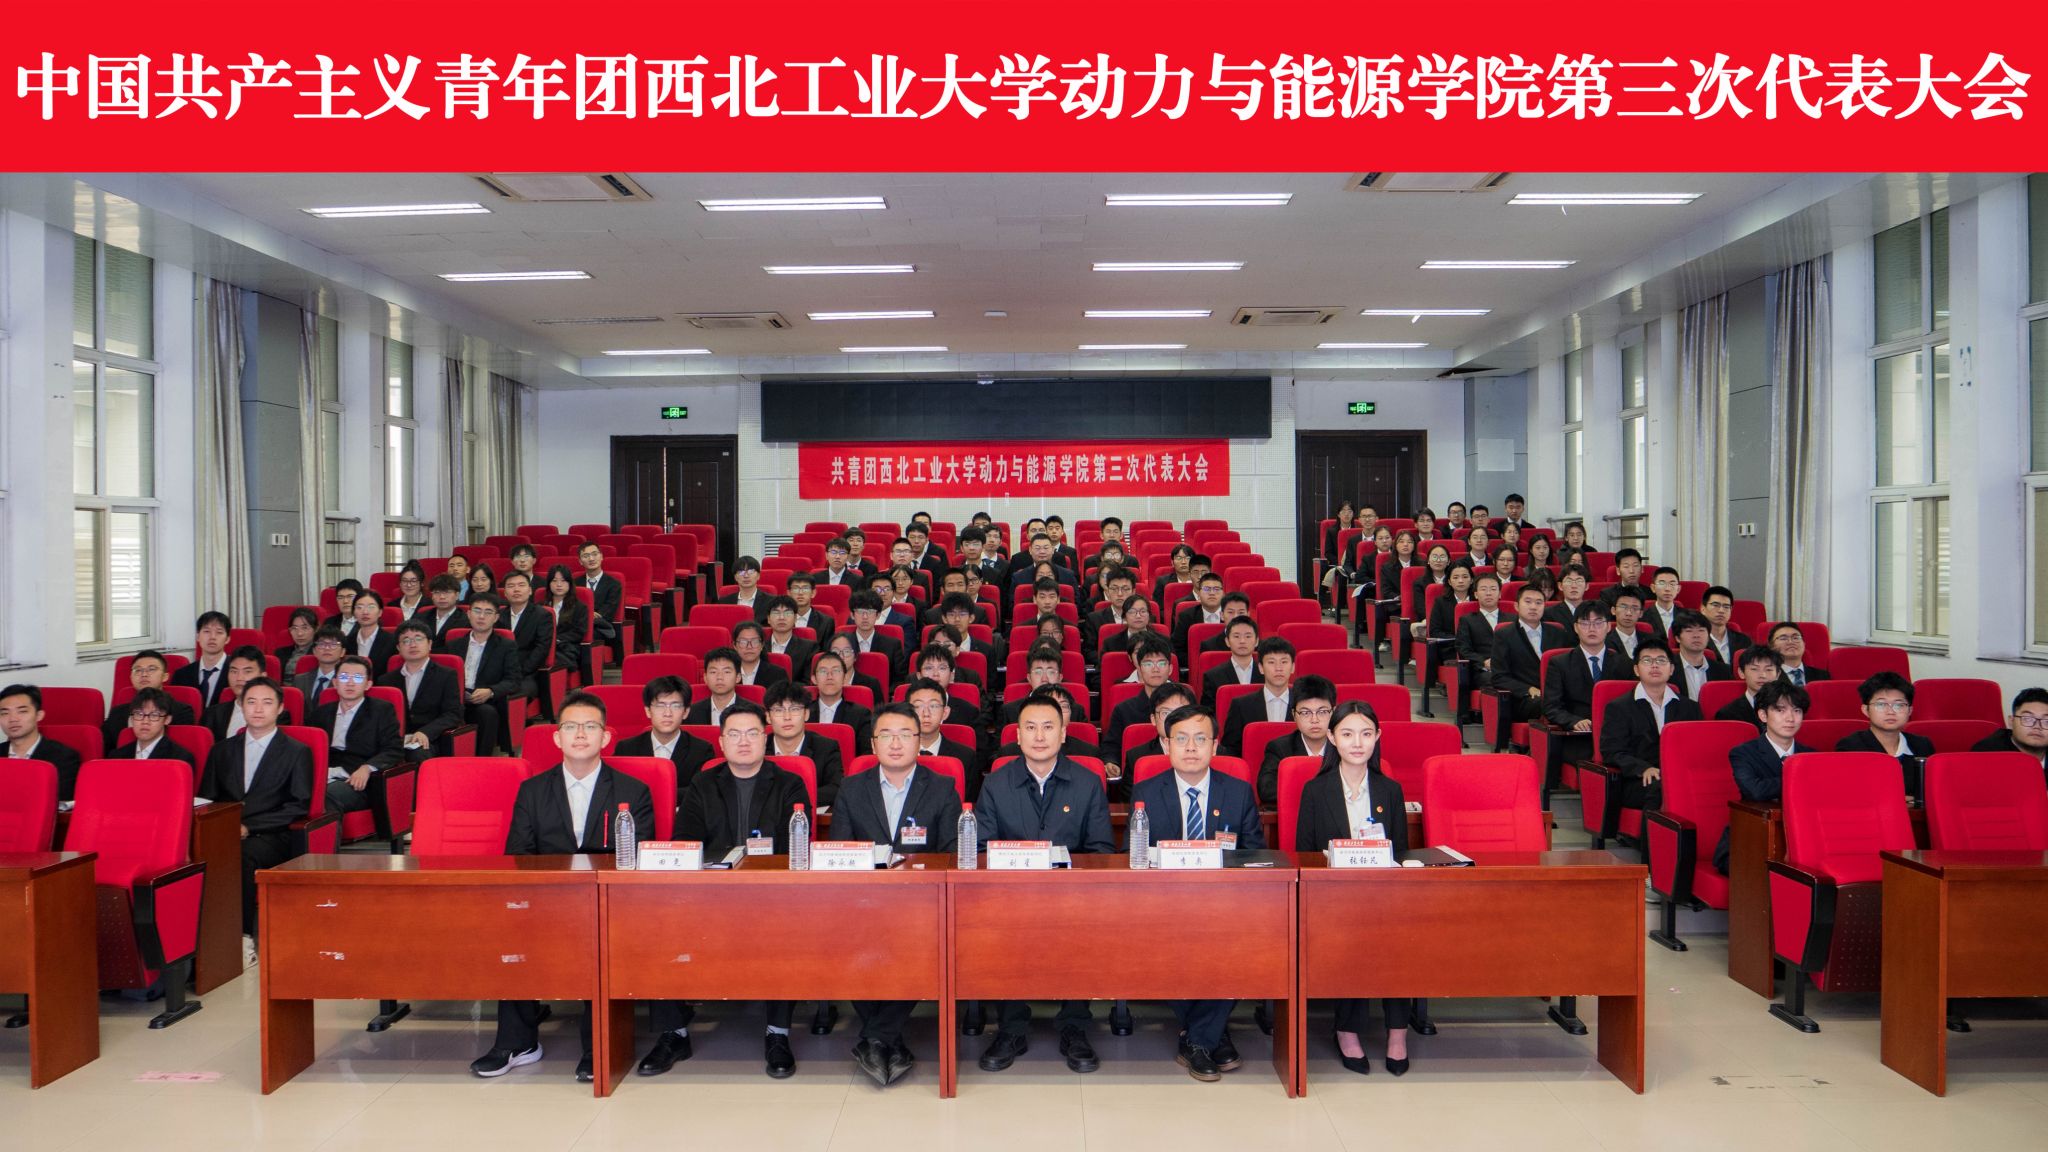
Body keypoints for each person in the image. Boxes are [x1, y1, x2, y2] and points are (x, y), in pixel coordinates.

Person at [474, 692, 654, 1083]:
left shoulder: (633, 791)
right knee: (512, 933)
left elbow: (637, 861)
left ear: (606, 737)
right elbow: (519, 856)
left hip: (607, 902)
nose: (580, 735)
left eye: (590, 726)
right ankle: (518, 1043)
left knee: (600, 933)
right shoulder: (533, 790)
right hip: (547, 900)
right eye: (571, 727)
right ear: (557, 737)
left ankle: (597, 1046)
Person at [658, 702, 812, 1079]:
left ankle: (777, 1033)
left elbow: (796, 848)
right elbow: (685, 841)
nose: (744, 741)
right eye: (734, 734)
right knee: (659, 923)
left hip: (771, 894)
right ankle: (673, 1033)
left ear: (766, 738)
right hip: (710, 893)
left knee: (788, 927)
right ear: (721, 742)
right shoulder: (703, 783)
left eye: (752, 733)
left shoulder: (789, 783)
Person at [974, 693, 1114, 1074]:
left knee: (1085, 926)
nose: (1039, 737)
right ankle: (1011, 1028)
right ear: (1017, 736)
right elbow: (981, 849)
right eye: (1031, 728)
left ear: (1063, 734)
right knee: (996, 926)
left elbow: (1101, 850)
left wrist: (1071, 886)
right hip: (1009, 897)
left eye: (1048, 727)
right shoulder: (996, 784)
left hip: (1072, 897)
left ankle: (1075, 1026)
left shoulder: (1087, 783)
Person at [1128, 703, 1263, 1082]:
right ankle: (1211, 1034)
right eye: (1181, 739)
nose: (1191, 748)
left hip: (1227, 907)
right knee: (1155, 942)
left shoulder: (1237, 792)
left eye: (1201, 739)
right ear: (1165, 745)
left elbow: (1254, 854)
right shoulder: (1146, 792)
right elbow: (1133, 857)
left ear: (1215, 746)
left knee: (1246, 942)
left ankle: (1199, 1038)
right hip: (1163, 906)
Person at [834, 703, 963, 1087]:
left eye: (905, 735)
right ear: (873, 744)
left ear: (919, 741)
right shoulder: (851, 788)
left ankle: (876, 1037)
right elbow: (839, 852)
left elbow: (952, 853)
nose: (895, 743)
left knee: (922, 943)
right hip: (862, 902)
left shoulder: (941, 788)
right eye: (886, 735)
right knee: (844, 940)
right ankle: (886, 1038)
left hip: (921, 904)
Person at [1294, 700, 1411, 1076]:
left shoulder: (1390, 790)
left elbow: (1400, 852)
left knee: (1402, 935)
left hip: (1384, 898)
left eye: (1365, 734)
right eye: (1347, 734)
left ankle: (1398, 1032)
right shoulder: (1315, 791)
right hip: (1333, 900)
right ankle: (1347, 1030)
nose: (1357, 743)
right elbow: (1305, 854)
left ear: (1377, 736)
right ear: (1332, 738)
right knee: (1352, 934)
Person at [197, 678, 311, 966]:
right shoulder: (222, 750)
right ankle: (196, 941)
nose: (258, 709)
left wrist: (250, 827)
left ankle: (243, 937)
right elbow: (207, 798)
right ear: (241, 706)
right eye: (251, 702)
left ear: (280, 708)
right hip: (225, 831)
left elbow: (297, 806)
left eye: (267, 702)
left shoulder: (297, 751)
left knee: (242, 857)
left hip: (273, 836)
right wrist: (222, 827)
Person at [1598, 638, 1701, 820]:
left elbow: (1697, 749)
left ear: (1671, 669)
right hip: (1637, 780)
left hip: (1679, 776)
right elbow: (1612, 752)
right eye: (1647, 660)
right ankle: (1652, 839)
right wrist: (1643, 768)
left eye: (1661, 660)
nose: (1655, 665)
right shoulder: (1619, 707)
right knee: (1659, 787)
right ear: (1636, 669)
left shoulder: (1690, 708)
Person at [1541, 603, 1635, 788]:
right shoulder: (1559, 663)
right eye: (1585, 623)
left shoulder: (1624, 664)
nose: (1592, 628)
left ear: (1608, 627)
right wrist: (1573, 721)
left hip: (1617, 735)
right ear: (1576, 628)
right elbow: (1551, 707)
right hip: (1581, 737)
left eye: (1598, 622)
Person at [313, 655, 404, 819]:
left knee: (326, 796)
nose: (350, 683)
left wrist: (367, 768)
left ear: (368, 684)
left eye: (357, 677)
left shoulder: (381, 710)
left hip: (356, 780)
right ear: (335, 683)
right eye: (343, 677)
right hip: (323, 774)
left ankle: (324, 836)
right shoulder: (321, 713)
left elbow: (394, 749)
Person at [1833, 672, 1936, 798]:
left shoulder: (1922, 745)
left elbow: (1932, 792)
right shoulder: (1851, 747)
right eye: (1881, 705)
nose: (1890, 711)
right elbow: (1851, 794)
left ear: (1910, 711)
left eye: (1899, 705)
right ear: (1865, 710)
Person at [378, 621, 466, 758]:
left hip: (431, 738)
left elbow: (453, 714)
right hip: (396, 738)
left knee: (418, 754)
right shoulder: (386, 680)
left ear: (429, 644)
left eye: (418, 639)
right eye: (406, 640)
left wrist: (426, 732)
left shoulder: (446, 675)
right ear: (398, 648)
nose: (413, 645)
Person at [446, 595, 521, 754]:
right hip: (455, 699)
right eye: (477, 611)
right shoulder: (453, 645)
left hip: (483, 700)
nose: (481, 616)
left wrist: (491, 691)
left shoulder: (506, 646)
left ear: (496, 618)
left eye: (488, 612)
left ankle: (482, 759)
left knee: (487, 713)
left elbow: (513, 680)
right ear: (469, 614)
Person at [614, 676, 714, 792]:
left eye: (675, 706)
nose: (667, 713)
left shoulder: (702, 751)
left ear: (686, 712)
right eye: (660, 706)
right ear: (648, 711)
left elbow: (700, 793)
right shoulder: (626, 749)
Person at [1729, 681, 1815, 804]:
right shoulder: (1744, 754)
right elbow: (1755, 791)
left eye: (1797, 711)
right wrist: (1802, 780)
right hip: (1761, 816)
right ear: (1763, 715)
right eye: (1780, 710)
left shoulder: (1811, 755)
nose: (1790, 718)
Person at [1258, 675, 1338, 804]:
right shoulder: (1280, 748)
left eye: (1322, 712)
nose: (1314, 720)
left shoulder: (1344, 746)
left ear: (1333, 712)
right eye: (1305, 713)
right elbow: (1266, 790)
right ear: (1294, 715)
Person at [1494, 585, 1568, 724]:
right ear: (1516, 606)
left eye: (1539, 603)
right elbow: (1499, 677)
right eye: (1528, 602)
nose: (1533, 607)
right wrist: (1528, 689)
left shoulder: (1558, 632)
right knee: (1545, 704)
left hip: (1556, 693)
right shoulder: (1504, 635)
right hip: (1524, 698)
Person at [764, 680, 844, 808]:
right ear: (768, 717)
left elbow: (836, 789)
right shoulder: (758, 748)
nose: (787, 717)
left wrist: (792, 798)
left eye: (794, 709)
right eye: (779, 710)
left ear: (806, 714)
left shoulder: (826, 747)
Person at [1, 684, 85, 801]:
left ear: (39, 715)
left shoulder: (64, 757)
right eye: (5, 713)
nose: (13, 719)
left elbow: (60, 802)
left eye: (22, 711)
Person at [102, 649, 197, 746]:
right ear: (131, 677)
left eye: (151, 669)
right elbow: (107, 751)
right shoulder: (116, 713)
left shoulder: (181, 711)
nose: (144, 675)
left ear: (165, 676)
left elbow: (179, 748)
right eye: (138, 670)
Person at [906, 678, 982, 798]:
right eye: (918, 706)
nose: (926, 713)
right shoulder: (894, 754)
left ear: (945, 713)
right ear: (907, 712)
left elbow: (969, 804)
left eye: (933, 706)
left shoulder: (965, 757)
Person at [1222, 638, 1295, 756]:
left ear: (1292, 667)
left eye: (1284, 662)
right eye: (1271, 662)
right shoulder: (1241, 706)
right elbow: (1231, 752)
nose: (1278, 668)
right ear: (1261, 668)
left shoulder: (1304, 705)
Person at [499, 572, 556, 702]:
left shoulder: (542, 615)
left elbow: (541, 649)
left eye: (521, 585)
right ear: (505, 593)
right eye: (511, 586)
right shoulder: (498, 615)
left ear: (530, 590)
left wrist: (519, 672)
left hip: (527, 674)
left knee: (509, 698)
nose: (516, 589)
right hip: (499, 672)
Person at [203, 648, 285, 740]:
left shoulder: (278, 715)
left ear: (262, 676)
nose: (239, 678)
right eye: (234, 671)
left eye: (247, 671)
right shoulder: (212, 714)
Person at [1969, 687, 2048, 777]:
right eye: (2028, 719)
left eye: (2046, 721)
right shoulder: (1988, 753)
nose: (2037, 726)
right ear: (2011, 721)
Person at [108, 686, 195, 767]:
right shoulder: (116, 757)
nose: (145, 721)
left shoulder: (180, 759)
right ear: (131, 718)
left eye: (154, 715)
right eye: (139, 714)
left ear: (167, 719)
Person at [172, 611, 236, 709]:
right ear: (198, 636)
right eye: (206, 631)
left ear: (227, 639)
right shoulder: (181, 675)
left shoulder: (237, 672)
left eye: (219, 632)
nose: (212, 637)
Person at [807, 651, 873, 743]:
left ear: (845, 678)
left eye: (836, 671)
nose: (829, 676)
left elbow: (865, 750)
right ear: (814, 679)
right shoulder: (803, 712)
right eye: (823, 671)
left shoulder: (861, 715)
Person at [845, 591, 908, 686]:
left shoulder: (892, 645)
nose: (865, 617)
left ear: (878, 615)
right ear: (852, 615)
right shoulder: (843, 644)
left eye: (870, 612)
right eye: (860, 612)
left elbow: (899, 681)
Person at [539, 564, 589, 681]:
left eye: (563, 581)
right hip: (541, 648)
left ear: (570, 583)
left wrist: (554, 640)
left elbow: (578, 633)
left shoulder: (579, 607)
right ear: (549, 584)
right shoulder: (540, 606)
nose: (559, 584)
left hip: (565, 649)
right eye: (554, 581)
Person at [1669, 612, 1732, 701]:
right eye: (1689, 631)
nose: (1696, 636)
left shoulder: (1724, 671)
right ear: (1677, 638)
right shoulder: (1666, 669)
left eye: (1701, 630)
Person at [1201, 617, 1261, 707]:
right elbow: (1207, 711)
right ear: (1227, 641)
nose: (1242, 641)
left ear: (1256, 641)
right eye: (1236, 636)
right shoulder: (1213, 676)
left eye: (1248, 636)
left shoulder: (1266, 673)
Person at [1718, 647, 1783, 728]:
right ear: (1741, 673)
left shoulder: (1791, 709)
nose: (1762, 675)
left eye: (1768, 669)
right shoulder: (1727, 714)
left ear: (1778, 674)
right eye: (1754, 669)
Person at [577, 542, 623, 650]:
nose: (591, 559)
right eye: (586, 556)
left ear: (601, 556)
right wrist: (589, 614)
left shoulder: (614, 584)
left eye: (594, 554)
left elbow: (607, 613)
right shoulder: (575, 583)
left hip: (601, 628)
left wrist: (584, 615)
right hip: (578, 626)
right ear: (580, 561)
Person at [1172, 573, 1227, 663]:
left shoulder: (1231, 616)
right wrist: (1197, 663)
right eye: (1206, 589)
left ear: (1223, 593)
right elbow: (1177, 649)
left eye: (1216, 589)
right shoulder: (1186, 616)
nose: (1212, 593)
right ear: (1199, 593)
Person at [686, 648, 744, 726]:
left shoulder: (752, 713)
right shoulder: (691, 713)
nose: (719, 677)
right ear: (705, 677)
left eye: (726, 672)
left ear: (738, 677)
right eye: (713, 672)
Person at [291, 627, 349, 703]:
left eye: (333, 644)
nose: (327, 648)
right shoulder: (300, 680)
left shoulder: (347, 681)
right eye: (321, 644)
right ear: (314, 651)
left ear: (342, 652)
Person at [826, 633, 887, 702]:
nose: (841, 657)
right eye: (835, 652)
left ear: (855, 656)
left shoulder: (870, 685)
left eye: (846, 651)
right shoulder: (823, 683)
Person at [1699, 586, 1751, 665]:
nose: (1721, 610)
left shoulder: (1743, 640)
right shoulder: (1695, 639)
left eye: (1726, 607)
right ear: (1703, 609)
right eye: (1715, 605)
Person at [730, 621, 790, 689]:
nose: (749, 647)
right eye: (743, 642)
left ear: (762, 645)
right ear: (735, 646)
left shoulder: (778, 674)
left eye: (754, 641)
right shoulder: (727, 673)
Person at [424, 575, 470, 651]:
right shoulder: (421, 617)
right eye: (437, 592)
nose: (442, 597)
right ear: (432, 596)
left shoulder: (465, 621)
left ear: (457, 595)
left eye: (447, 592)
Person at [1543, 564, 1592, 630]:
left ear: (1587, 586)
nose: (1574, 586)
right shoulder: (1548, 614)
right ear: (1560, 586)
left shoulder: (1595, 611)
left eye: (1579, 581)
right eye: (1569, 581)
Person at [1607, 588, 1648, 665]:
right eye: (1623, 607)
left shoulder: (1650, 640)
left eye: (1634, 608)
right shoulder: (1604, 642)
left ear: (1641, 613)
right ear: (1613, 610)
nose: (1628, 613)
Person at [1643, 568, 1685, 642]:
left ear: (1678, 589)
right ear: (1653, 588)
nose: (1667, 589)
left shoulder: (1687, 617)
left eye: (1672, 584)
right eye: (1662, 583)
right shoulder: (1642, 617)